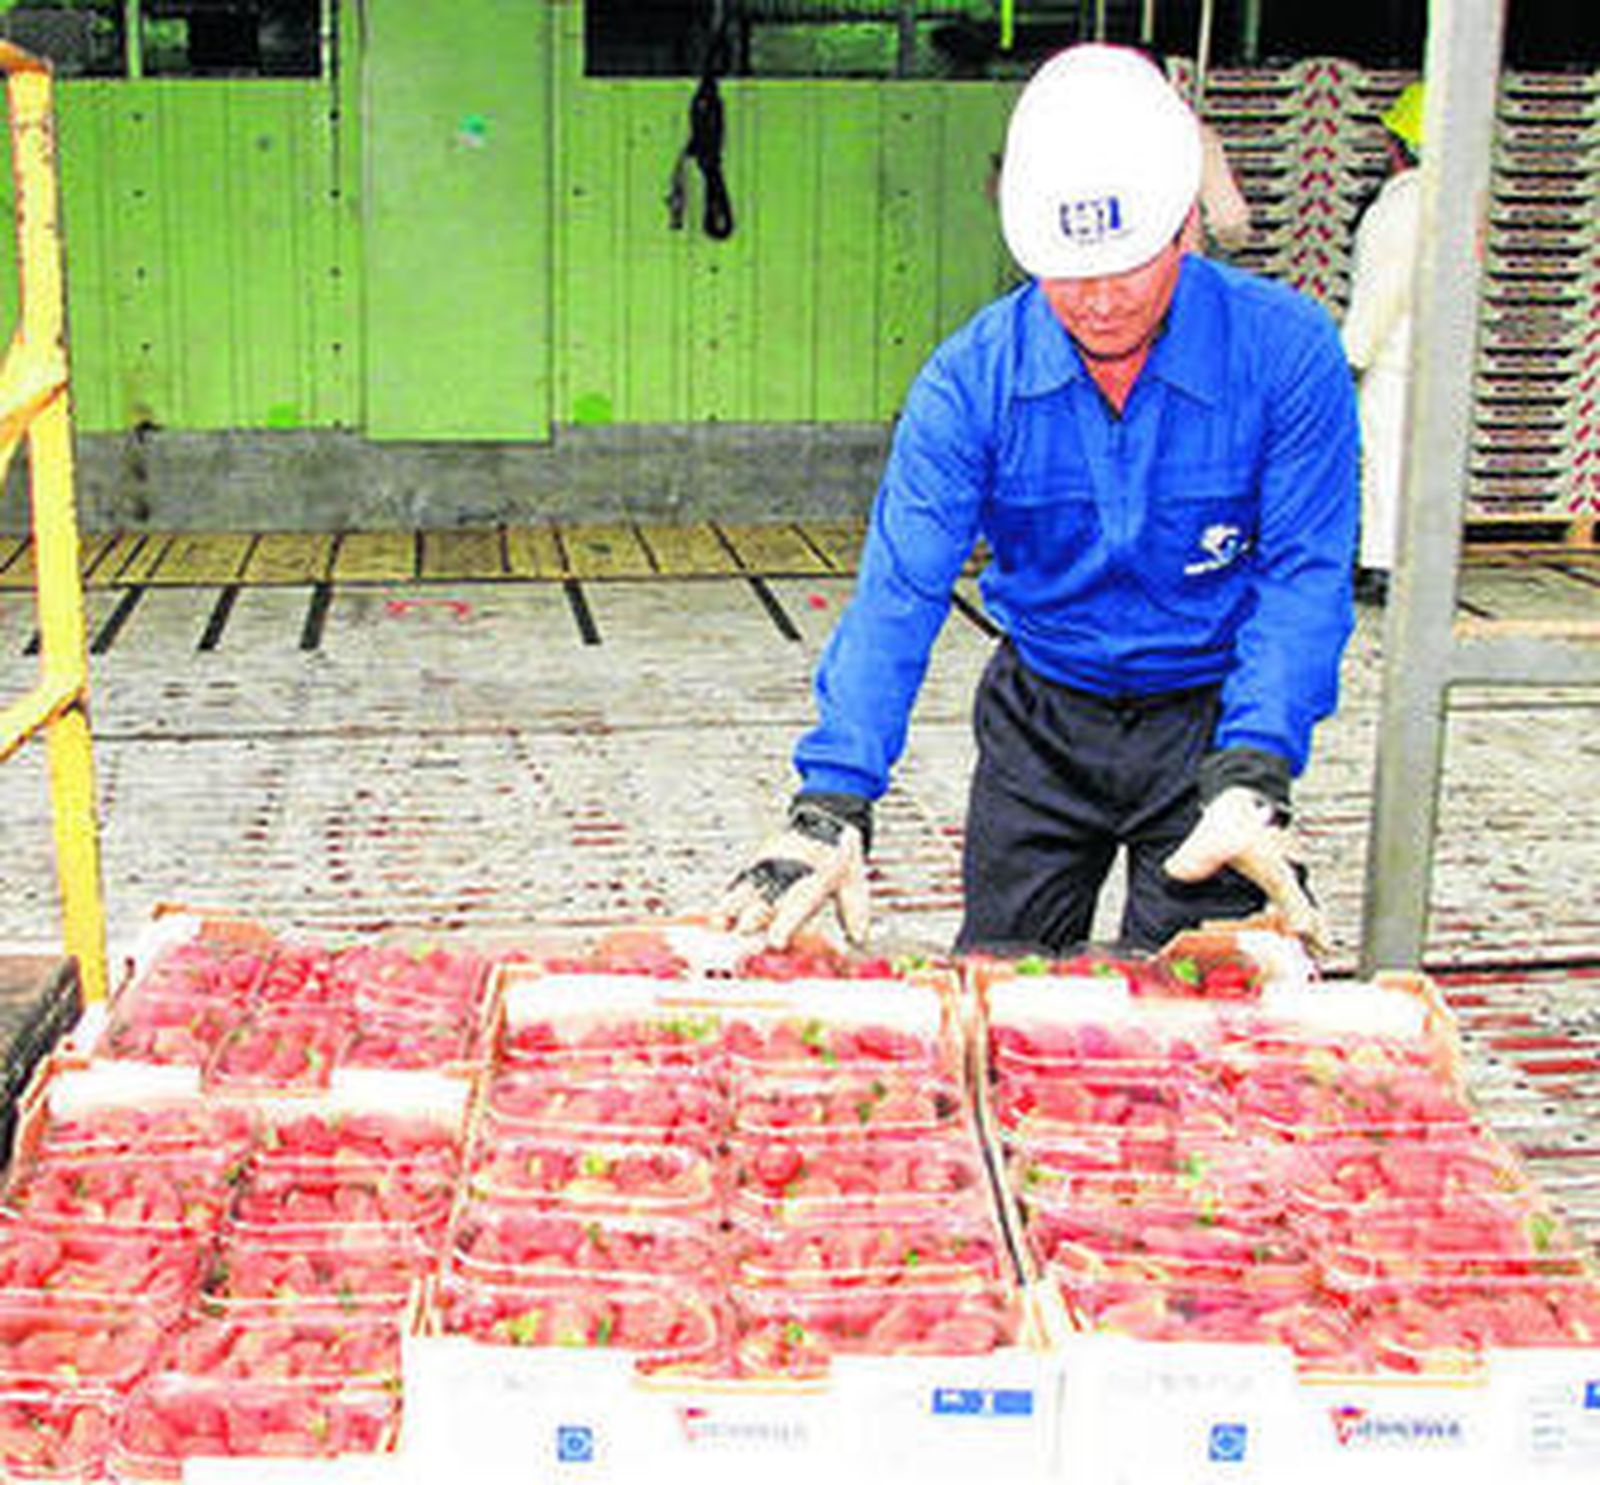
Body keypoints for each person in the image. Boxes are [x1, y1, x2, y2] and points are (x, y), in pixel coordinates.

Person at [713, 44, 1357, 959]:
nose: (1095, 301)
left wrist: (1258, 769)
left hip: (1209, 724)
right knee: (1004, 984)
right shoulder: (971, 381)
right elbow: (900, 592)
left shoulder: (1285, 354)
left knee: (1198, 1021)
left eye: (1125, 265)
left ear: (1184, 224)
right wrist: (830, 798)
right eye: (1066, 272)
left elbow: (1306, 572)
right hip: (1042, 724)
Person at [1342, 80, 1425, 608]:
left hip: (1394, 359)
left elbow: (1381, 291)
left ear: (1397, 145)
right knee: (1421, 464)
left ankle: (1384, 566)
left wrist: (1350, 356)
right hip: (1439, 356)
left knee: (1386, 463)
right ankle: (1412, 558)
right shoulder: (1460, 198)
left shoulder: (1400, 207)